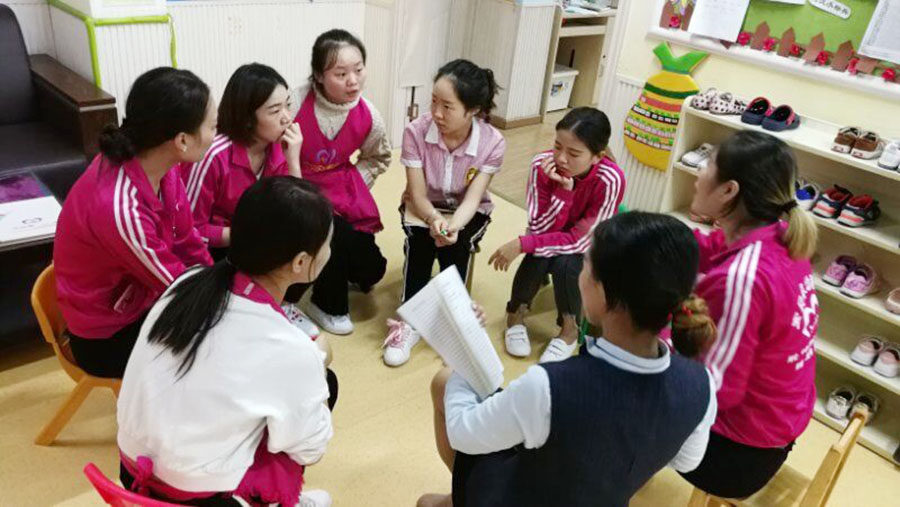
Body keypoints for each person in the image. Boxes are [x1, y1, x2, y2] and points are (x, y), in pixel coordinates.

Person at [420, 212, 718, 507]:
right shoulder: (700, 384)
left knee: (445, 386)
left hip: (522, 494)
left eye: (585, 264)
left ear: (603, 293)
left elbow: (462, 434)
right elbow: (687, 461)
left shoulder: (552, 385)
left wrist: (460, 358)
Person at [117, 177, 336, 507]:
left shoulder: (188, 282)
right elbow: (309, 449)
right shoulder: (291, 348)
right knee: (323, 388)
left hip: (130, 471)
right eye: (328, 244)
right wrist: (315, 366)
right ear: (301, 263)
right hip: (195, 497)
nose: (330, 252)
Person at [679, 130, 819, 499]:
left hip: (737, 455)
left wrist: (659, 333)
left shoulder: (744, 278)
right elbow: (715, 246)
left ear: (729, 190)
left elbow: (714, 389)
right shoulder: (782, 235)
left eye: (708, 165)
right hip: (774, 428)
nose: (698, 173)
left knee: (616, 380)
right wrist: (662, 238)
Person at [54, 67, 215, 378]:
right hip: (106, 336)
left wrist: (220, 286)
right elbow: (176, 286)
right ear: (182, 140)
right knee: (215, 350)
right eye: (212, 126)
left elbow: (187, 240)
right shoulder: (120, 208)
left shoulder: (163, 166)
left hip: (141, 299)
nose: (214, 136)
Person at [179, 63, 318, 338]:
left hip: (251, 237)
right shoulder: (214, 155)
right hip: (214, 247)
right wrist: (244, 236)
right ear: (247, 118)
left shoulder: (278, 147)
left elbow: (299, 212)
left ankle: (282, 305)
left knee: (307, 235)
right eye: (275, 111)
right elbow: (189, 231)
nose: (287, 118)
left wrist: (293, 160)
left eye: (288, 105)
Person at [383, 59, 506, 367]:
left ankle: (456, 317)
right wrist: (434, 220)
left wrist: (453, 226)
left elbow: (473, 199)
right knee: (421, 243)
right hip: (423, 206)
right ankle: (408, 321)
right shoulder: (415, 131)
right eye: (434, 101)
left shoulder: (492, 142)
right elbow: (417, 194)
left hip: (467, 211)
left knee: (457, 244)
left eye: (447, 106)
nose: (437, 113)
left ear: (473, 109)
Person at [489, 107, 624, 363]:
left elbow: (580, 240)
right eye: (557, 146)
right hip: (552, 232)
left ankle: (569, 329)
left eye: (574, 153)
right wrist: (563, 193)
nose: (561, 158)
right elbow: (539, 227)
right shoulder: (541, 165)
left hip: (588, 243)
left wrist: (522, 244)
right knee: (539, 254)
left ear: (597, 157)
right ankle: (515, 314)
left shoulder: (610, 179)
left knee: (566, 263)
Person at [285, 28, 391, 335]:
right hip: (299, 186)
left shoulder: (369, 115)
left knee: (372, 271)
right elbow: (270, 152)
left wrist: (354, 184)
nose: (353, 81)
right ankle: (325, 305)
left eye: (358, 70)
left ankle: (331, 268)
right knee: (331, 233)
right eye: (341, 74)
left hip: (343, 189)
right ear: (319, 76)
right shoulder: (294, 102)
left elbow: (379, 157)